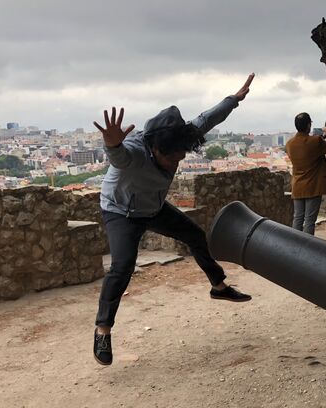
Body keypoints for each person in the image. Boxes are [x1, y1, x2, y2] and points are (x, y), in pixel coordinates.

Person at [91, 74, 255, 366]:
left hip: (152, 207)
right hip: (121, 212)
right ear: (155, 149)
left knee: (195, 234)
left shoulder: (177, 139)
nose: (176, 162)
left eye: (181, 157)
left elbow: (207, 119)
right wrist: (112, 145)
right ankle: (103, 330)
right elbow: (118, 158)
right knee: (122, 264)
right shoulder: (135, 154)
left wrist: (234, 99)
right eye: (171, 159)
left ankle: (218, 287)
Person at [285, 113, 326, 235]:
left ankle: (294, 244)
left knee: (298, 218)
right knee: (309, 221)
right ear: (308, 125)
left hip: (297, 187)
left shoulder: (290, 144)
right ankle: (307, 247)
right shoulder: (315, 141)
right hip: (313, 186)